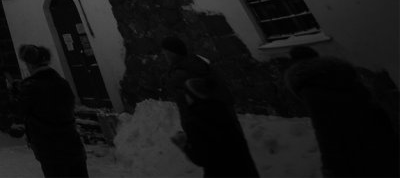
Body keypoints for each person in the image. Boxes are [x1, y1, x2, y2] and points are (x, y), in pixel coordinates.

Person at [283, 45, 400, 177]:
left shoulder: (310, 85)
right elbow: (373, 107)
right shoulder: (342, 74)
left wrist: (330, 166)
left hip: (354, 150)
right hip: (380, 138)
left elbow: (325, 129)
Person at [161, 36, 259, 177]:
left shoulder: (181, 74)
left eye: (165, 53)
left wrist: (186, 143)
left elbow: (201, 156)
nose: (164, 56)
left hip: (202, 123)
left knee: (216, 162)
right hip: (224, 120)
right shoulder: (197, 64)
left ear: (172, 53)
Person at [10, 43, 88, 178]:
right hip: (72, 143)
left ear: (30, 64)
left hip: (49, 147)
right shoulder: (61, 83)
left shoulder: (30, 87)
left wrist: (16, 92)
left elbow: (21, 110)